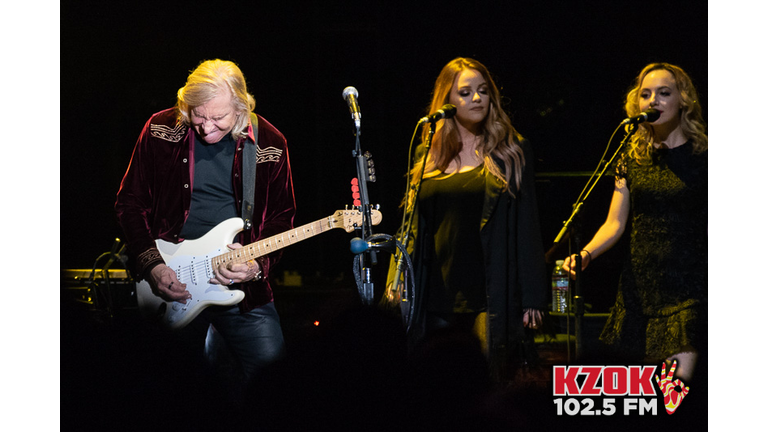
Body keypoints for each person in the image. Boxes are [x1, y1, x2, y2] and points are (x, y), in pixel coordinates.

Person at [115, 59, 296, 405]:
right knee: (162, 391)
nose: (206, 127)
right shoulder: (160, 129)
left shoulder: (270, 143)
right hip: (171, 282)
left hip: (241, 288)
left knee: (275, 383)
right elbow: (129, 202)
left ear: (241, 107)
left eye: (219, 118)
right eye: (198, 115)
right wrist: (153, 265)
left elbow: (282, 217)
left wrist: (257, 265)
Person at [385, 57, 548, 379]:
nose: (477, 98)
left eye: (483, 91)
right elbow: (411, 228)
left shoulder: (511, 151)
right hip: (435, 292)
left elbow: (527, 226)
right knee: (435, 382)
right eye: (466, 92)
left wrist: (533, 296)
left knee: (485, 381)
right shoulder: (427, 153)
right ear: (447, 100)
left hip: (489, 291)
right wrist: (397, 278)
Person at [562, 62, 707, 382]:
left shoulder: (705, 155)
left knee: (676, 387)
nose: (653, 100)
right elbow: (615, 222)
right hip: (640, 285)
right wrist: (585, 253)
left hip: (690, 285)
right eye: (646, 94)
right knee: (644, 390)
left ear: (683, 99)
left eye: (663, 93)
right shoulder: (632, 155)